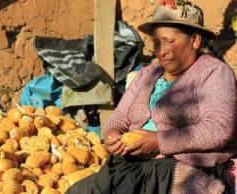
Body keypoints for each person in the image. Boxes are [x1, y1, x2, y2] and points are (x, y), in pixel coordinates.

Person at [66, 1, 237, 194]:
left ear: (195, 40)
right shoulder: (147, 74)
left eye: (170, 41)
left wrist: (159, 142)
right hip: (131, 167)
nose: (162, 50)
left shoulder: (215, 73)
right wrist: (113, 132)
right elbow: (120, 116)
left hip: (180, 171)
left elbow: (218, 129)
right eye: (156, 43)